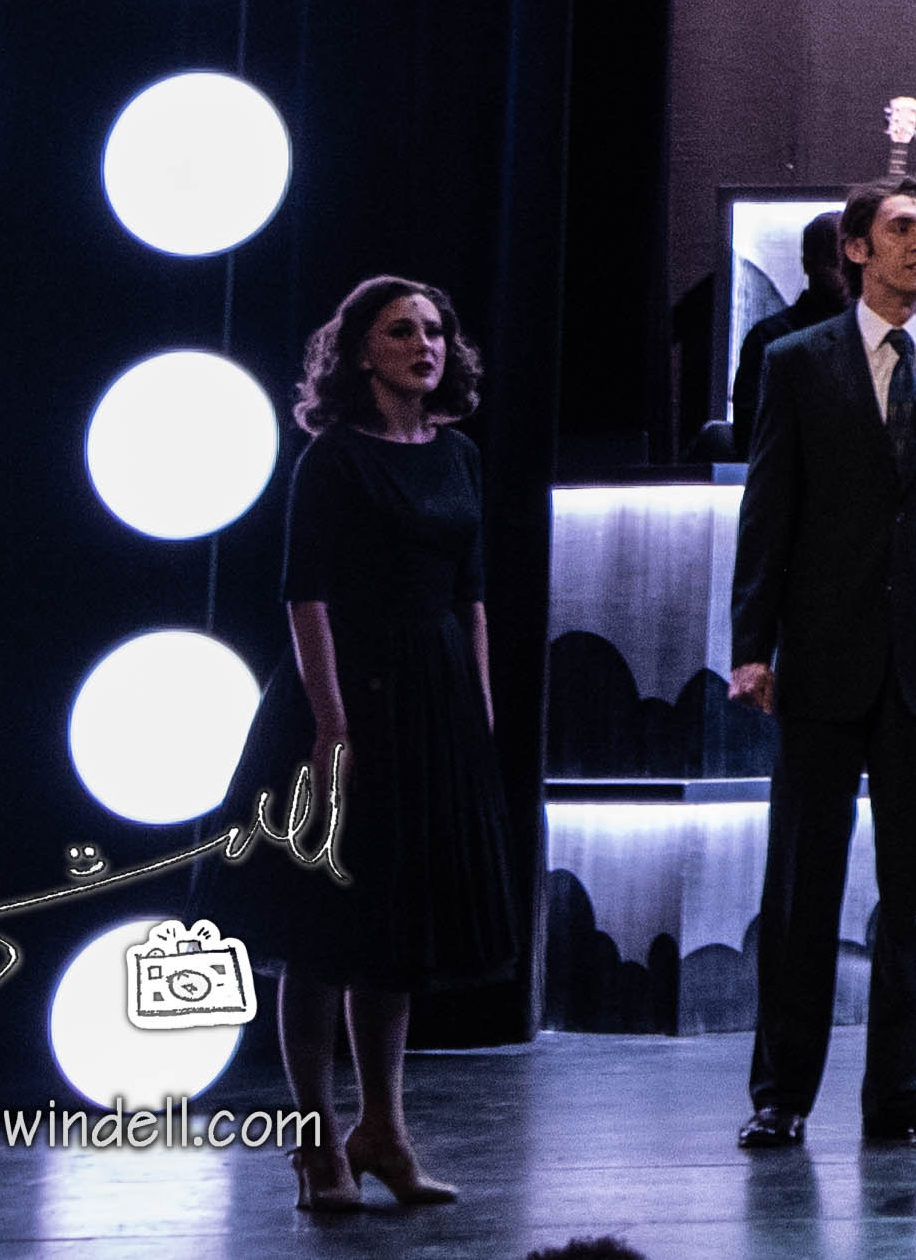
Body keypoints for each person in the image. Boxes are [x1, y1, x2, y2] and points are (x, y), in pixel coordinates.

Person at [217, 278, 522, 1217]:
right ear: (361, 350)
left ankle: (383, 1131)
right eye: (402, 330)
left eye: (435, 329)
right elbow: (304, 594)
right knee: (325, 929)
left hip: (433, 696)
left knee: (398, 932)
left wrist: (477, 704)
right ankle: (316, 1146)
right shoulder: (334, 458)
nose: (425, 344)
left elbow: (472, 594)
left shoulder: (460, 454)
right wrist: (331, 719)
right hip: (347, 693)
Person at [728, 179, 916, 1153]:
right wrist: (751, 645)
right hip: (823, 655)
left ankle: (898, 1087)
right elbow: (768, 507)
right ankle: (781, 1091)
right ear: (855, 247)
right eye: (900, 227)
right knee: (801, 886)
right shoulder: (798, 360)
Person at [726, 210, 846, 455]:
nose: (847, 275)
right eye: (835, 263)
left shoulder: (874, 337)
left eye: (856, 263)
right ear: (808, 263)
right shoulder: (768, 339)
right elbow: (751, 435)